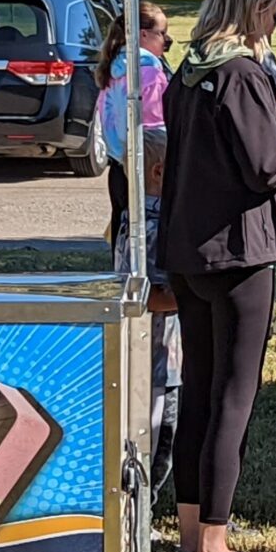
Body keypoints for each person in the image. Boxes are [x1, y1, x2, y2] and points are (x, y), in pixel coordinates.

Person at [158, 0, 276, 552]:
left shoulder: (188, 74)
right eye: (273, 8)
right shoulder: (242, 73)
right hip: (241, 251)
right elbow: (263, 169)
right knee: (234, 394)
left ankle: (191, 529)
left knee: (198, 388)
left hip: (190, 249)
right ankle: (217, 542)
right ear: (252, 11)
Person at [114, 126, 181, 514]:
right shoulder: (152, 229)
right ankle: (139, 514)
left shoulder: (133, 220)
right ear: (157, 173)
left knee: (163, 439)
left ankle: (145, 509)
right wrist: (188, 297)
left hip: (162, 359)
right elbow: (149, 296)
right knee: (155, 440)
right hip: (154, 359)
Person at [96, 2, 171, 251]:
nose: (166, 41)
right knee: (147, 245)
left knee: (123, 239)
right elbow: (154, 127)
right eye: (162, 34)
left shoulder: (113, 71)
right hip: (145, 169)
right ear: (143, 35)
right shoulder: (147, 72)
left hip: (118, 167)